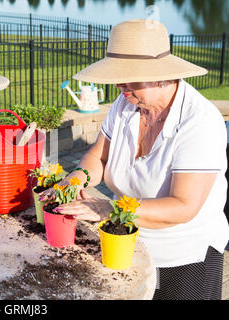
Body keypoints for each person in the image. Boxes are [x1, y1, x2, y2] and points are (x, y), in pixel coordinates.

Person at [40, 19, 229, 300]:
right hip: (125, 242)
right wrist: (75, 178)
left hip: (183, 256)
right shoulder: (126, 103)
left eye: (130, 77)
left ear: (162, 75)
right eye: (118, 76)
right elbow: (99, 157)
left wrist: (109, 209)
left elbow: (183, 207)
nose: (120, 86)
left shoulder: (199, 121)